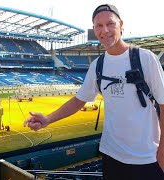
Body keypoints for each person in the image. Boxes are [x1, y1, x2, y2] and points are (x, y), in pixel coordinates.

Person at [23, 4, 164, 179]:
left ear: (121, 24)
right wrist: (48, 119)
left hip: (146, 157)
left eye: (110, 23)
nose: (105, 30)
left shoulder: (145, 58)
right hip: (111, 155)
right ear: (94, 30)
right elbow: (78, 101)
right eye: (99, 25)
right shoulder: (98, 65)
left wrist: (163, 148)